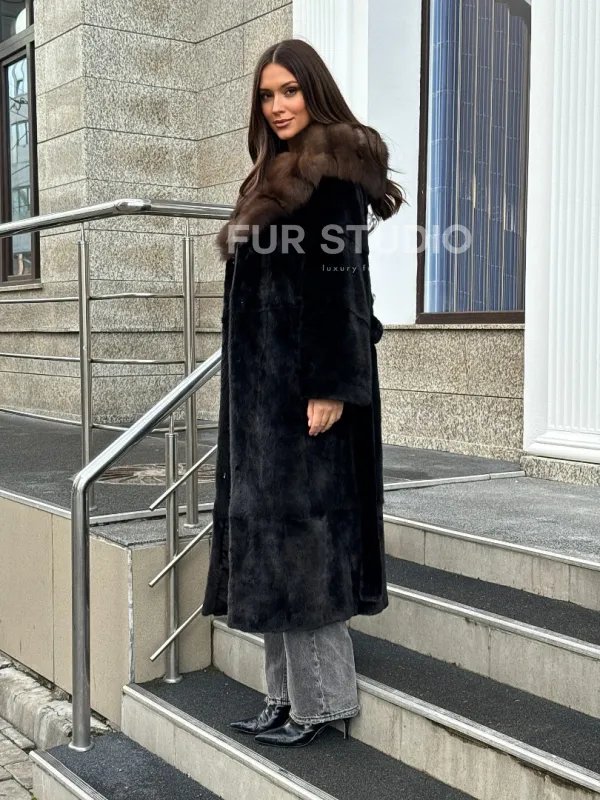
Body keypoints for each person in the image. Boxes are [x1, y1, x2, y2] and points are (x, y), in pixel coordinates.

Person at [201, 38, 404, 748]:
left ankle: (323, 704)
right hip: (263, 399)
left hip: (305, 391)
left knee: (309, 547)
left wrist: (330, 386)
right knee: (272, 546)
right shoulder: (271, 173)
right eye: (267, 94)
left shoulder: (330, 172)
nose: (278, 105)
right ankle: (283, 698)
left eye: (289, 90)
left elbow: (340, 288)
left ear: (313, 91)